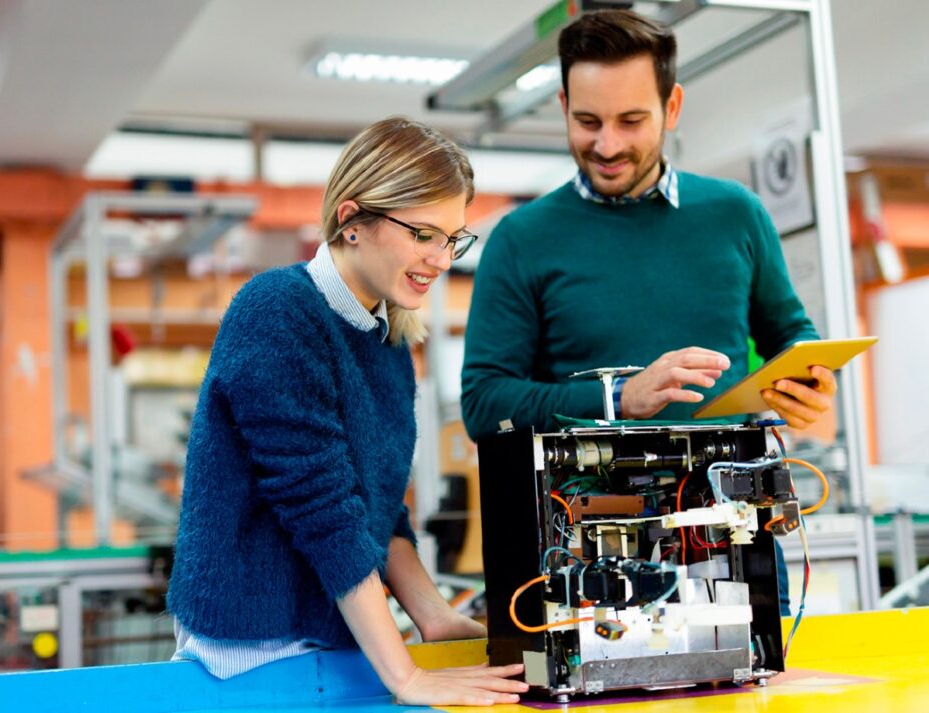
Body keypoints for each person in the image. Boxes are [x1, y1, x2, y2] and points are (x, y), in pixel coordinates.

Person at [460, 10, 836, 615]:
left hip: (730, 537)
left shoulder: (736, 214)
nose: (607, 145)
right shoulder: (521, 239)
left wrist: (807, 381)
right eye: (587, 121)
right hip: (583, 554)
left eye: (631, 121)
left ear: (673, 106)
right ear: (562, 106)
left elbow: (791, 333)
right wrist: (616, 401)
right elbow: (484, 404)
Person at [166, 117, 527, 707]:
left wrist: (433, 617)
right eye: (422, 234)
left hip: (335, 643)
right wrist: (407, 676)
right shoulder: (278, 310)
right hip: (252, 649)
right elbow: (325, 510)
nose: (441, 258)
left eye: (453, 238)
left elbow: (378, 511)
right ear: (351, 219)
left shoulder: (389, 342)